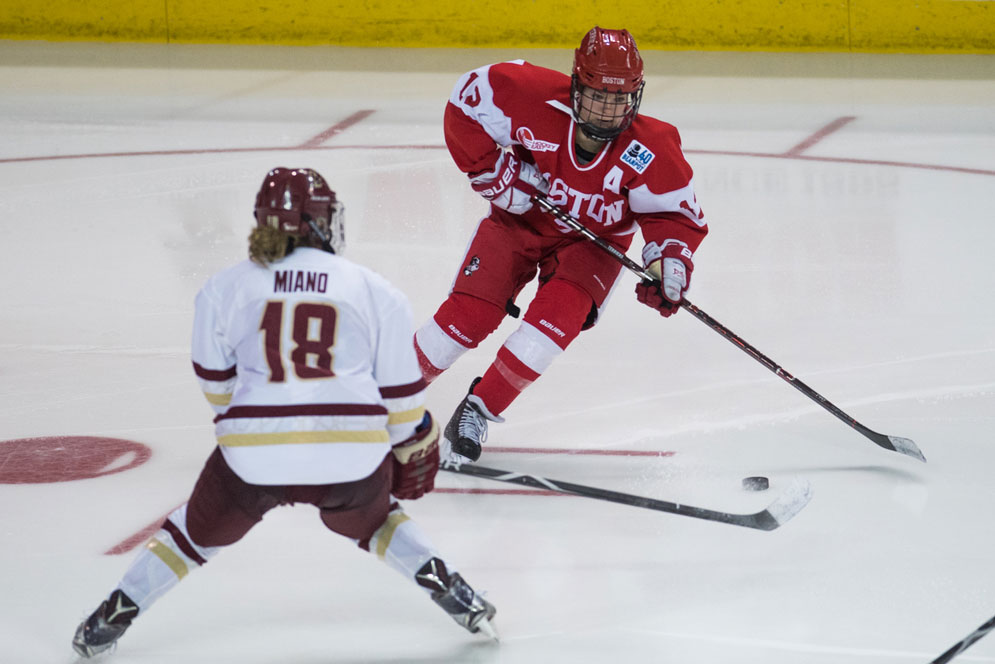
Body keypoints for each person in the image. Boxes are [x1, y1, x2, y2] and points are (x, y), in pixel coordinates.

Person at [72, 167, 497, 659]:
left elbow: (217, 386)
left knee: (193, 531)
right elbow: (401, 399)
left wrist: (264, 422)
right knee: (377, 521)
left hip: (253, 458)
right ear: (319, 223)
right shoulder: (375, 290)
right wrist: (414, 442)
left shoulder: (223, 287)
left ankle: (113, 615)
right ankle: (452, 589)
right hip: (349, 457)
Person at [413, 27, 709, 464]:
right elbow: (465, 103)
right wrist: (494, 172)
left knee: (547, 332)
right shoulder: (528, 96)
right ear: (576, 83)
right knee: (466, 318)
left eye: (619, 98)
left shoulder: (651, 147)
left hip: (593, 247)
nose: (608, 110)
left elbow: (673, 216)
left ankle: (477, 410)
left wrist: (668, 264)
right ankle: (378, 401)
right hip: (517, 225)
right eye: (597, 95)